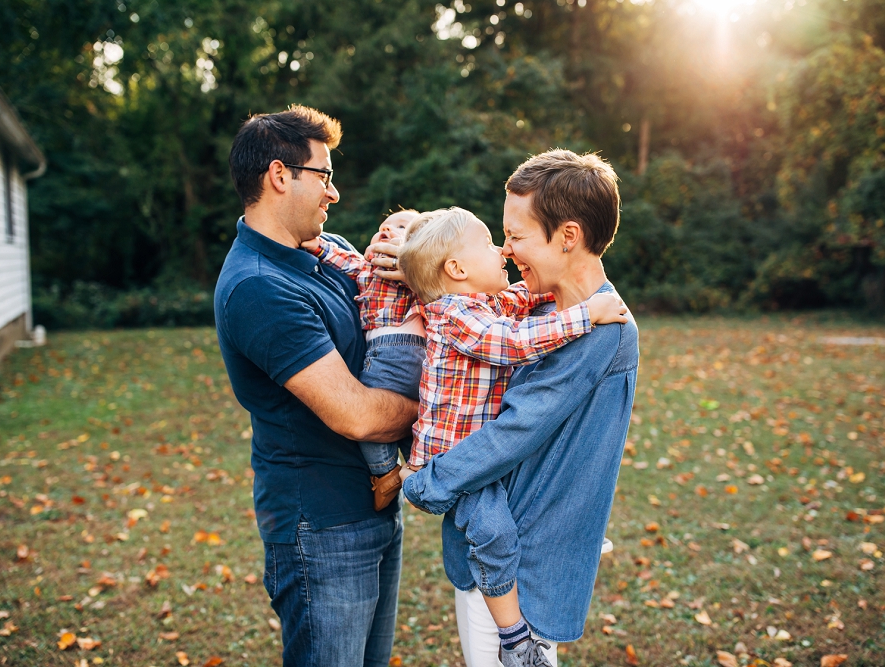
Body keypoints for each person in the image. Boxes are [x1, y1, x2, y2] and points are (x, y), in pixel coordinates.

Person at [401, 150, 640, 667]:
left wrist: (428, 480)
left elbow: (513, 432)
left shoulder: (600, 333)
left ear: (568, 236)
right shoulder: (544, 309)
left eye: (516, 236)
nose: (506, 252)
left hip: (523, 561)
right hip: (489, 547)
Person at [214, 105, 418, 667]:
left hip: (373, 508)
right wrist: (441, 402)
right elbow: (359, 416)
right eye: (324, 175)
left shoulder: (323, 257)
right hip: (322, 531)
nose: (334, 192)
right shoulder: (258, 288)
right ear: (280, 176)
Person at [302, 209, 425, 510]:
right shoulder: (367, 268)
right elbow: (343, 258)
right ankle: (422, 467)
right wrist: (316, 245)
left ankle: (384, 472)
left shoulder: (421, 271)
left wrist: (419, 265)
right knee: (413, 421)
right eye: (382, 227)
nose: (386, 230)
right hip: (421, 355)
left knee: (372, 409)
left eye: (400, 227)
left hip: (389, 349)